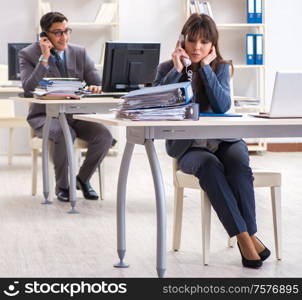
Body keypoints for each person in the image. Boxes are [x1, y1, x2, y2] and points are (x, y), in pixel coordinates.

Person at [154, 13, 270, 268]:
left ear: (213, 45)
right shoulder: (167, 68)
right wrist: (178, 70)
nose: (197, 47)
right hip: (190, 148)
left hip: (225, 140)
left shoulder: (221, 67)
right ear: (181, 42)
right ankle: (246, 238)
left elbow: (221, 106)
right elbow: (157, 103)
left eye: (204, 42)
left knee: (239, 164)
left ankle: (247, 235)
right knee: (210, 166)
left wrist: (205, 68)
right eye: (192, 41)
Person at [19, 11, 113, 202]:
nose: (65, 37)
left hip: (76, 115)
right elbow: (28, 88)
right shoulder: (29, 54)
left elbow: (97, 81)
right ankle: (62, 186)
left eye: (66, 31)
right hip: (44, 116)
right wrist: (44, 59)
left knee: (104, 136)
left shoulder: (79, 52)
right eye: (58, 33)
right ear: (44, 35)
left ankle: (82, 179)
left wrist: (96, 86)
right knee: (64, 132)